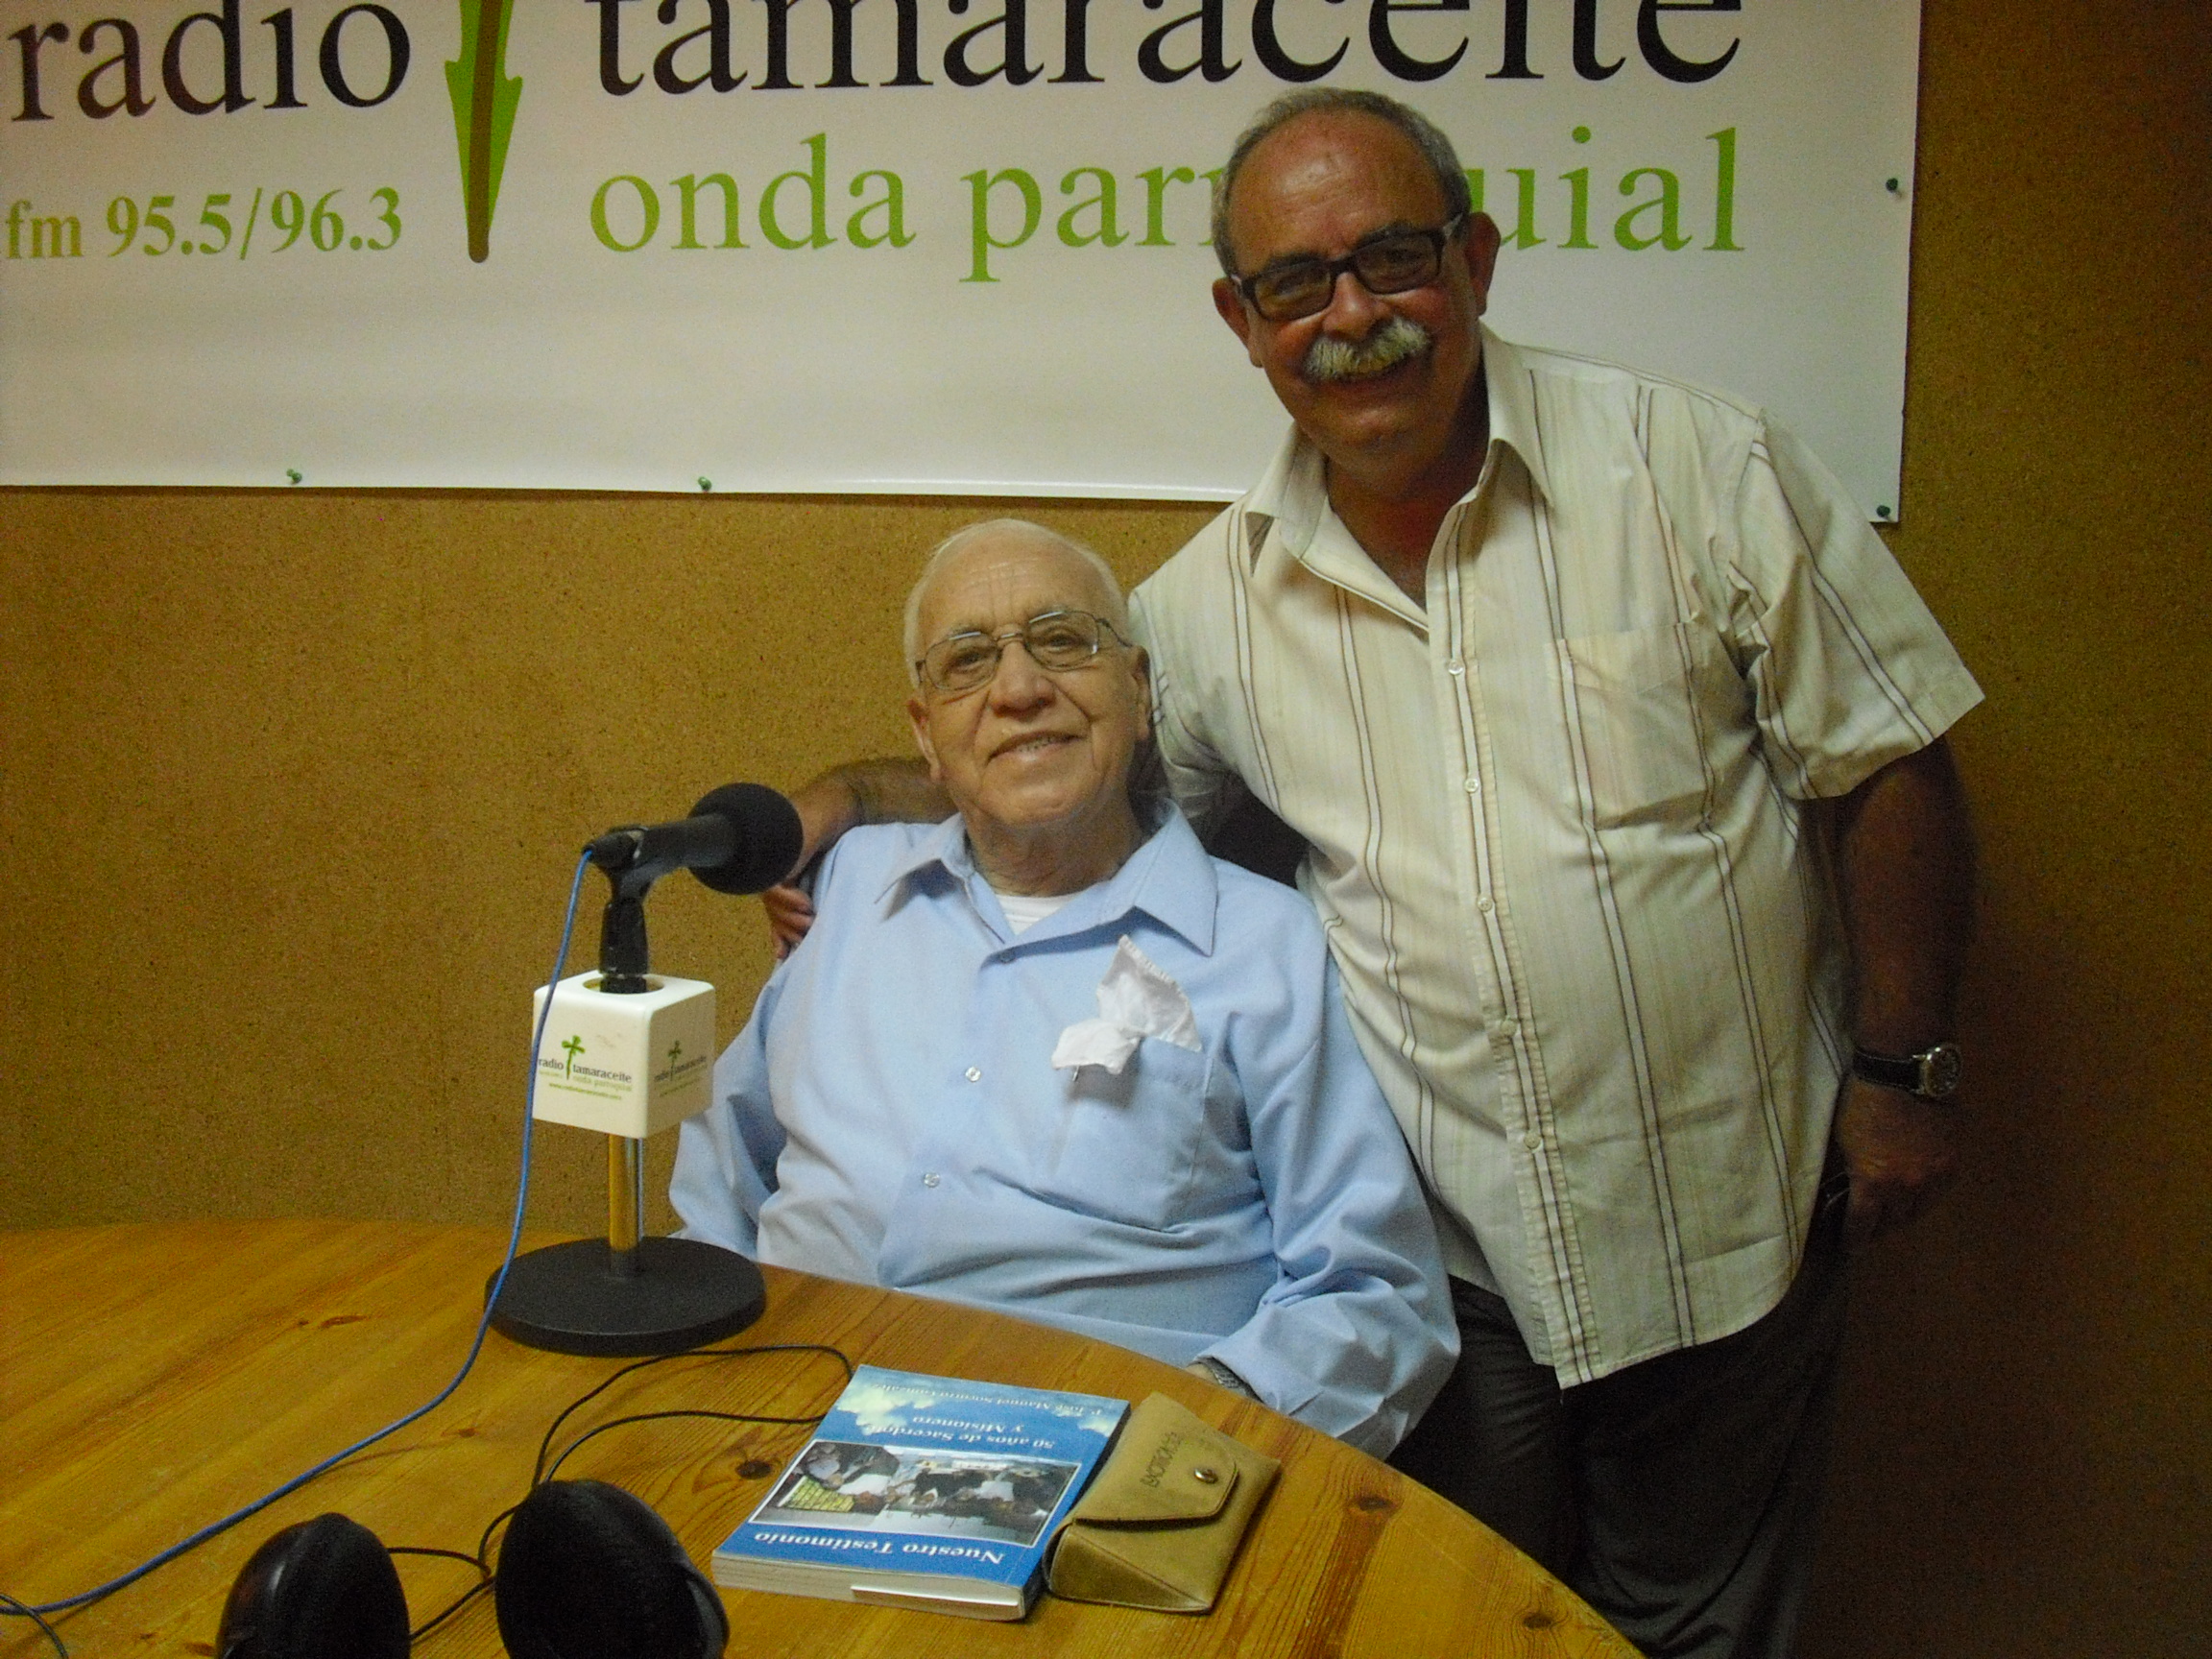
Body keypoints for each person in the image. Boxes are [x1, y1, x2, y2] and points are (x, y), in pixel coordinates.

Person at [760, 93, 1983, 1659]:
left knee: (1690, 1629)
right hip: (1448, 1258)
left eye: (1389, 258)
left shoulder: (1695, 470)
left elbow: (1885, 758)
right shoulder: (1208, 607)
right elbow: (1057, 772)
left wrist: (1904, 1072)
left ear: (1471, 258)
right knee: (1453, 1612)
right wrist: (829, 810)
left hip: (1718, 1208)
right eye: (1293, 282)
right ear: (1241, 319)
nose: (1348, 315)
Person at [671, 517, 1457, 1457]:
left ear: (1137, 691)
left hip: (1098, 1465)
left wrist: (1186, 1436)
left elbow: (1377, 1295)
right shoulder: (845, 888)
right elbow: (722, 1182)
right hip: (785, 1431)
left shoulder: (1265, 946)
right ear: (926, 736)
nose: (1018, 690)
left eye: (1062, 642)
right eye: (966, 663)